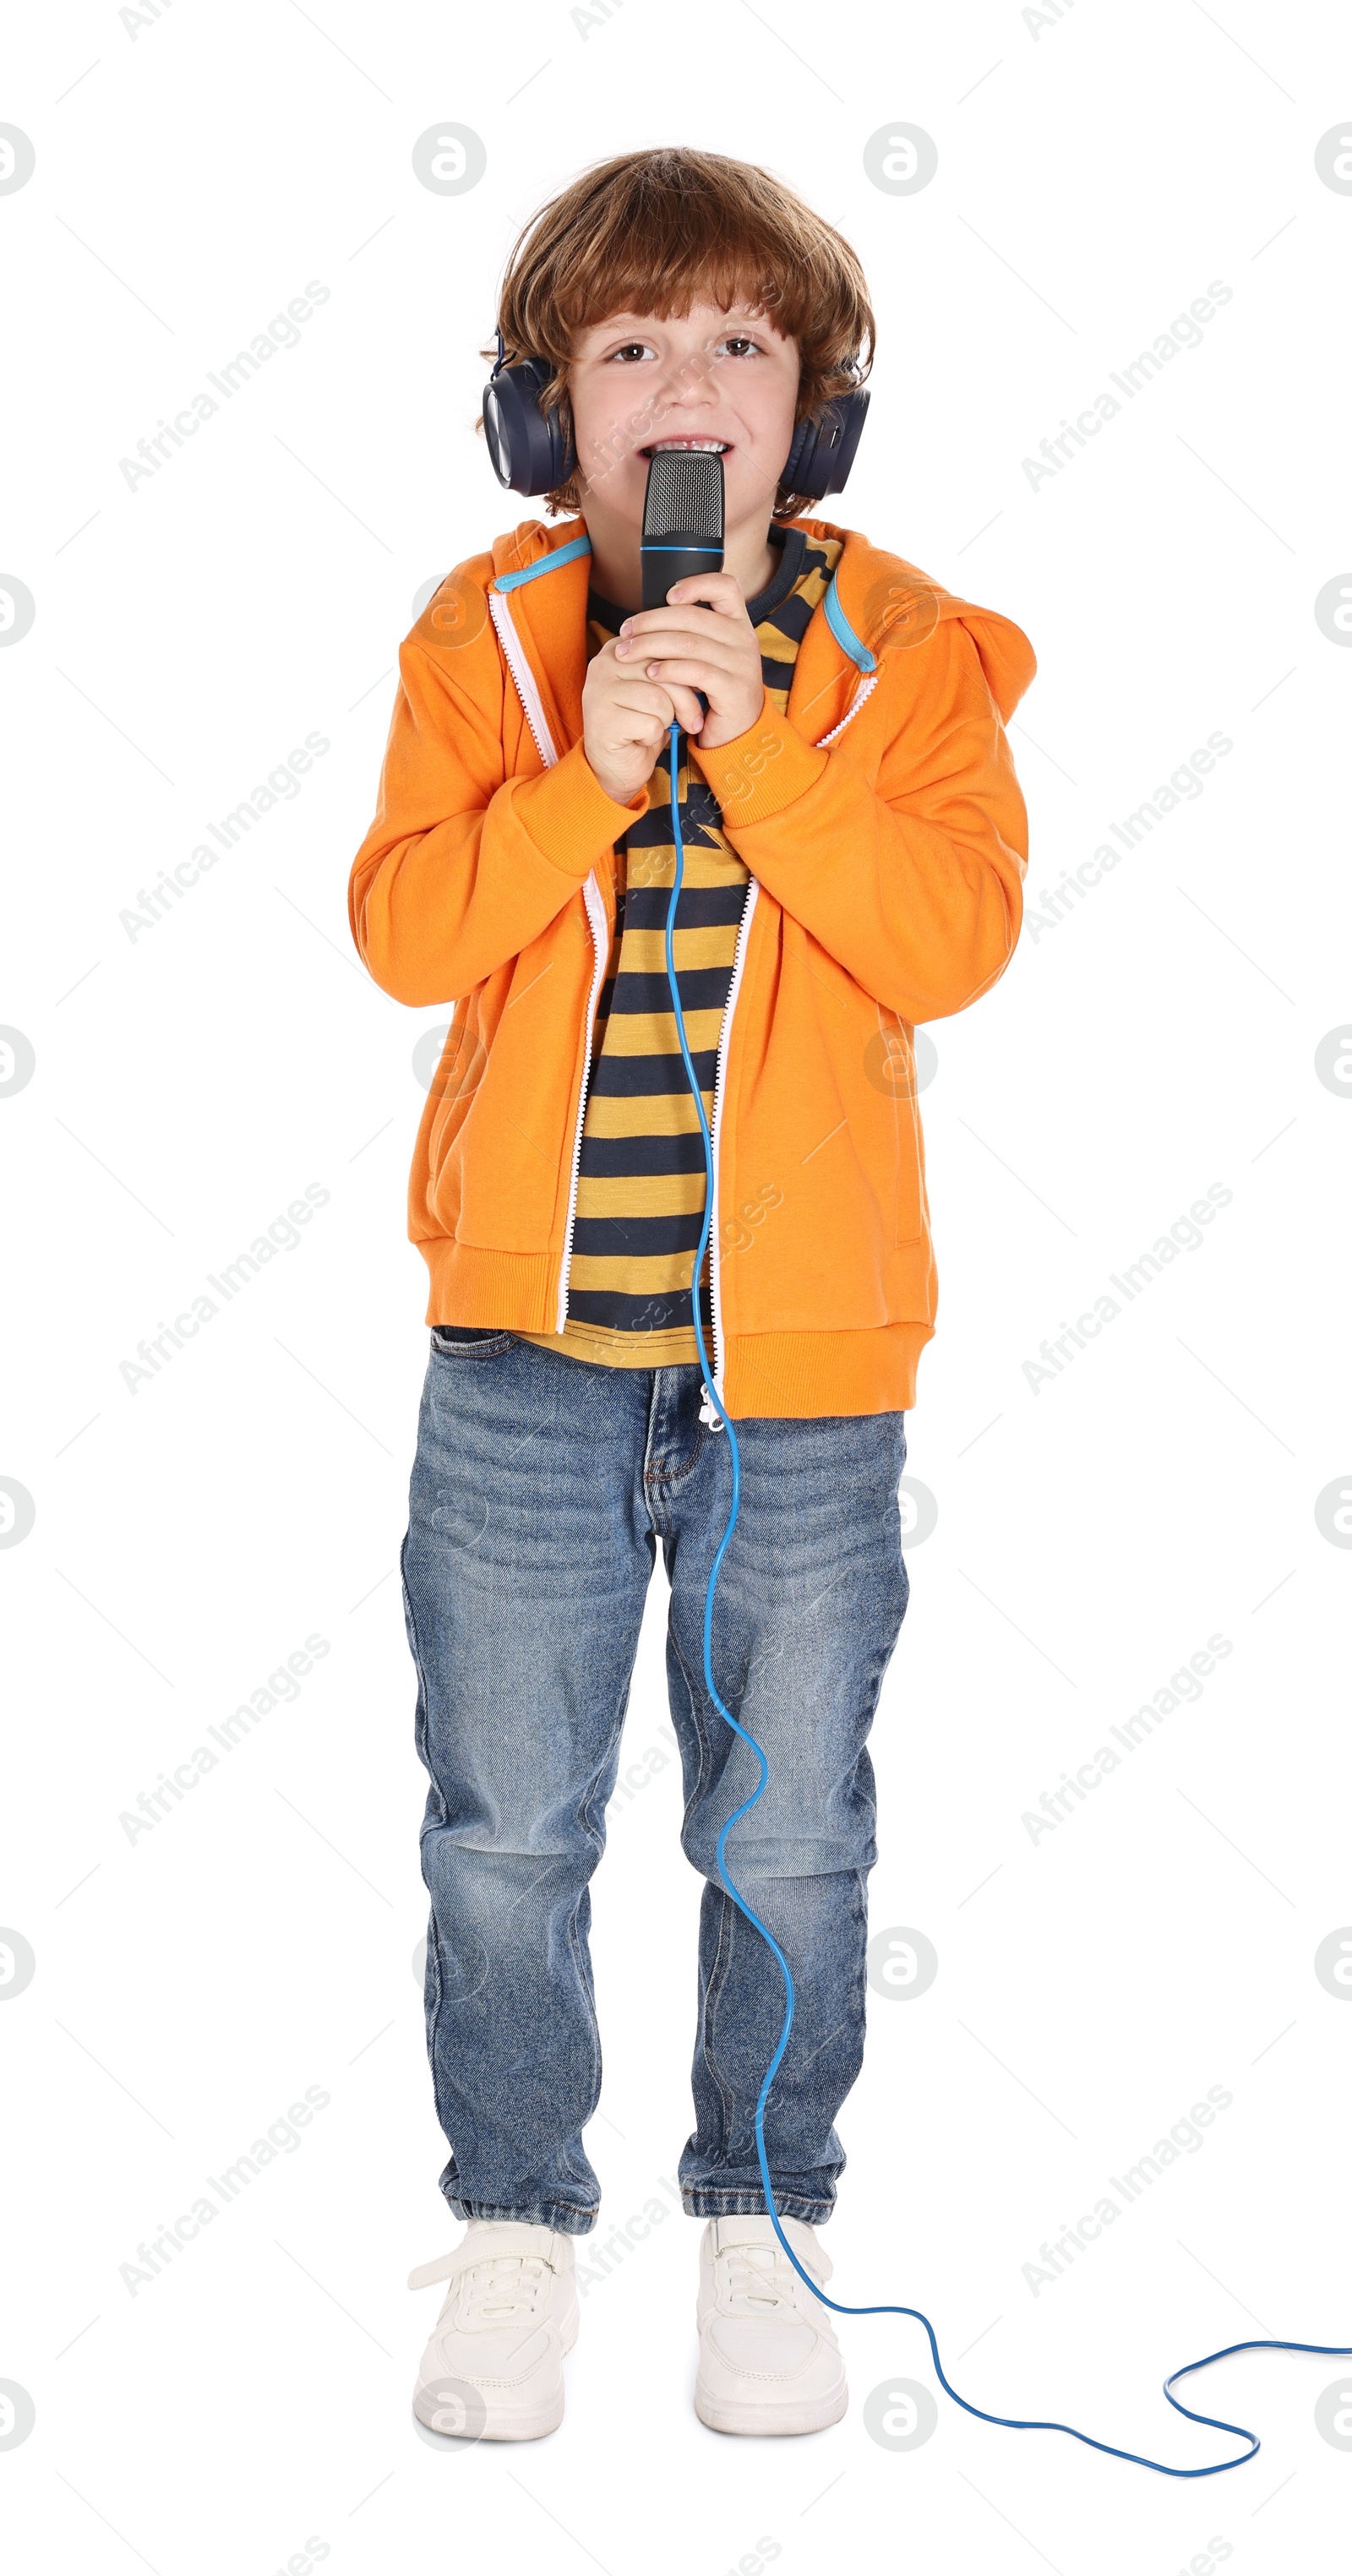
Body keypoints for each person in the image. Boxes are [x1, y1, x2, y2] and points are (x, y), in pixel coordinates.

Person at [348, 144, 1036, 2443]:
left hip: (801, 1383)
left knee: (789, 1823)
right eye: (630, 343)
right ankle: (523, 2220)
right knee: (507, 1821)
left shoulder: (906, 659)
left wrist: (755, 751)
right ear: (550, 407)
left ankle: (762, 2221)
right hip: (527, 1372)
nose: (687, 382)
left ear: (809, 412)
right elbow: (409, 935)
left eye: (740, 342)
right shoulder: (488, 637)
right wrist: (589, 765)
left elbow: (949, 939)